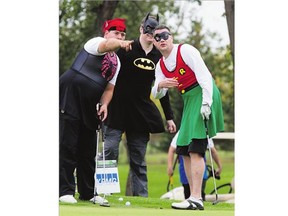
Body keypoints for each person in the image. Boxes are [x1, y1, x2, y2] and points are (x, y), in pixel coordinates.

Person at [59, 18, 134, 204]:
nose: (120, 37)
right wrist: (120, 42)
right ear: (106, 33)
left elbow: (109, 89)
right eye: (116, 33)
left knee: (87, 148)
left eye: (123, 34)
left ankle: (88, 192)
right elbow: (108, 44)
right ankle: (64, 191)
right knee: (68, 145)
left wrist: (105, 104)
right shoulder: (94, 43)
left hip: (90, 104)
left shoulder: (116, 62)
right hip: (69, 96)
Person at [101, 13, 176, 197]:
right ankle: (104, 193)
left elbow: (162, 88)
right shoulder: (125, 48)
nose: (151, 34)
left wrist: (169, 117)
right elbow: (107, 76)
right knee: (109, 151)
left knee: (139, 160)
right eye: (148, 29)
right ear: (142, 29)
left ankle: (141, 199)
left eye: (155, 31)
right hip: (116, 109)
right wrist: (100, 102)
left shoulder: (159, 57)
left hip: (141, 114)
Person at [152, 25, 224, 210]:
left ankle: (196, 198)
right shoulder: (160, 65)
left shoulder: (186, 51)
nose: (162, 39)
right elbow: (157, 93)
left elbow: (205, 77)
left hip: (202, 94)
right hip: (189, 100)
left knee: (196, 147)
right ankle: (192, 196)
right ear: (153, 41)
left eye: (165, 35)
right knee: (183, 149)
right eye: (157, 37)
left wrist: (207, 103)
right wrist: (160, 85)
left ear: (171, 37)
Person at [167, 131, 222, 200]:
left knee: (200, 192)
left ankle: (198, 202)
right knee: (187, 193)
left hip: (200, 170)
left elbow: (213, 151)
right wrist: (170, 166)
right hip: (185, 170)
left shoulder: (203, 131)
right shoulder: (181, 131)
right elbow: (171, 149)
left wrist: (219, 166)